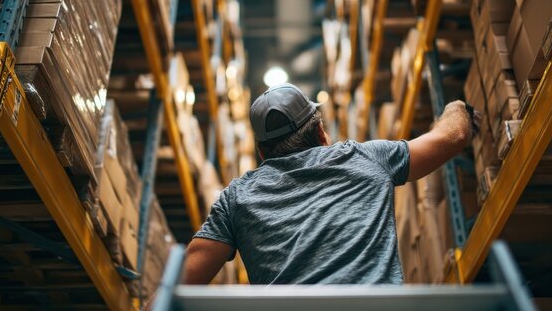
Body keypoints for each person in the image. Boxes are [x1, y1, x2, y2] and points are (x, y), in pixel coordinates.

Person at [181, 83, 479, 285]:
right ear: (321, 133)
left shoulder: (236, 199)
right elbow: (452, 137)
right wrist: (458, 107)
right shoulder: (367, 158)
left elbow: (181, 282)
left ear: (262, 153)